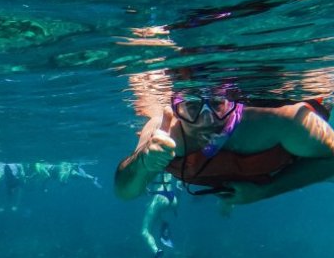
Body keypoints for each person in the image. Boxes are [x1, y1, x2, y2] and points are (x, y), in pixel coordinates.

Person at [115, 87, 334, 205]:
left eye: (217, 104)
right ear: (175, 109)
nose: (207, 121)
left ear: (235, 101)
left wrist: (267, 191)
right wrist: (142, 162)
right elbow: (124, 191)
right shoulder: (164, 133)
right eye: (191, 105)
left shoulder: (280, 121)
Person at [142, 172, 180, 258]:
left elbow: (145, 188)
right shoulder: (170, 164)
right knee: (155, 210)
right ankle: (164, 227)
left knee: (144, 231)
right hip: (172, 198)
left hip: (159, 198)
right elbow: (179, 183)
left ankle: (156, 251)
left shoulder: (151, 165)